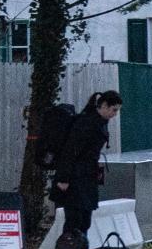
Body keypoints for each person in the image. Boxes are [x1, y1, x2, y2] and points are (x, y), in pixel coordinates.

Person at [51, 90, 122, 235]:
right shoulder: (86, 123)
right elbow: (70, 150)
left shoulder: (98, 122)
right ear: (104, 105)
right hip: (75, 176)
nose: (114, 114)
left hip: (86, 175)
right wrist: (64, 178)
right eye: (113, 110)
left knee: (84, 219)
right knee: (75, 219)